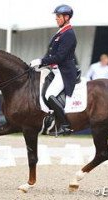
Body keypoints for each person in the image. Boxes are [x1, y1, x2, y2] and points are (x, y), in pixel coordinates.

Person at [30, 4, 77, 136]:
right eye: (56, 16)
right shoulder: (61, 32)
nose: (56, 19)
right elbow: (51, 54)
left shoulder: (69, 34)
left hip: (64, 71)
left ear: (66, 17)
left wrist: (41, 61)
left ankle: (65, 125)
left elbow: (60, 57)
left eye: (58, 16)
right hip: (55, 70)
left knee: (49, 94)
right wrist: (41, 63)